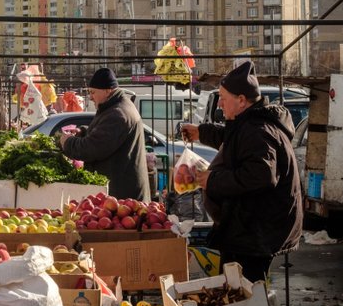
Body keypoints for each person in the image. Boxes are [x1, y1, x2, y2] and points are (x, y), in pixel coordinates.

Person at [179, 61, 303, 283]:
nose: (220, 105)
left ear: (242, 101)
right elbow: (234, 140)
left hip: (255, 233)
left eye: (224, 99)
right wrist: (202, 133)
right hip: (249, 228)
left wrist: (213, 180)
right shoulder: (249, 123)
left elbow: (261, 175)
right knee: (237, 290)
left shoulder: (258, 131)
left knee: (243, 294)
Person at [59, 68, 150, 202]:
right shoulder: (114, 107)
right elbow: (104, 134)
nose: (90, 97)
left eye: (93, 92)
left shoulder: (118, 114)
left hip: (123, 198)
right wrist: (83, 132)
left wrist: (67, 142)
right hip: (120, 193)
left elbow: (92, 148)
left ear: (108, 90)